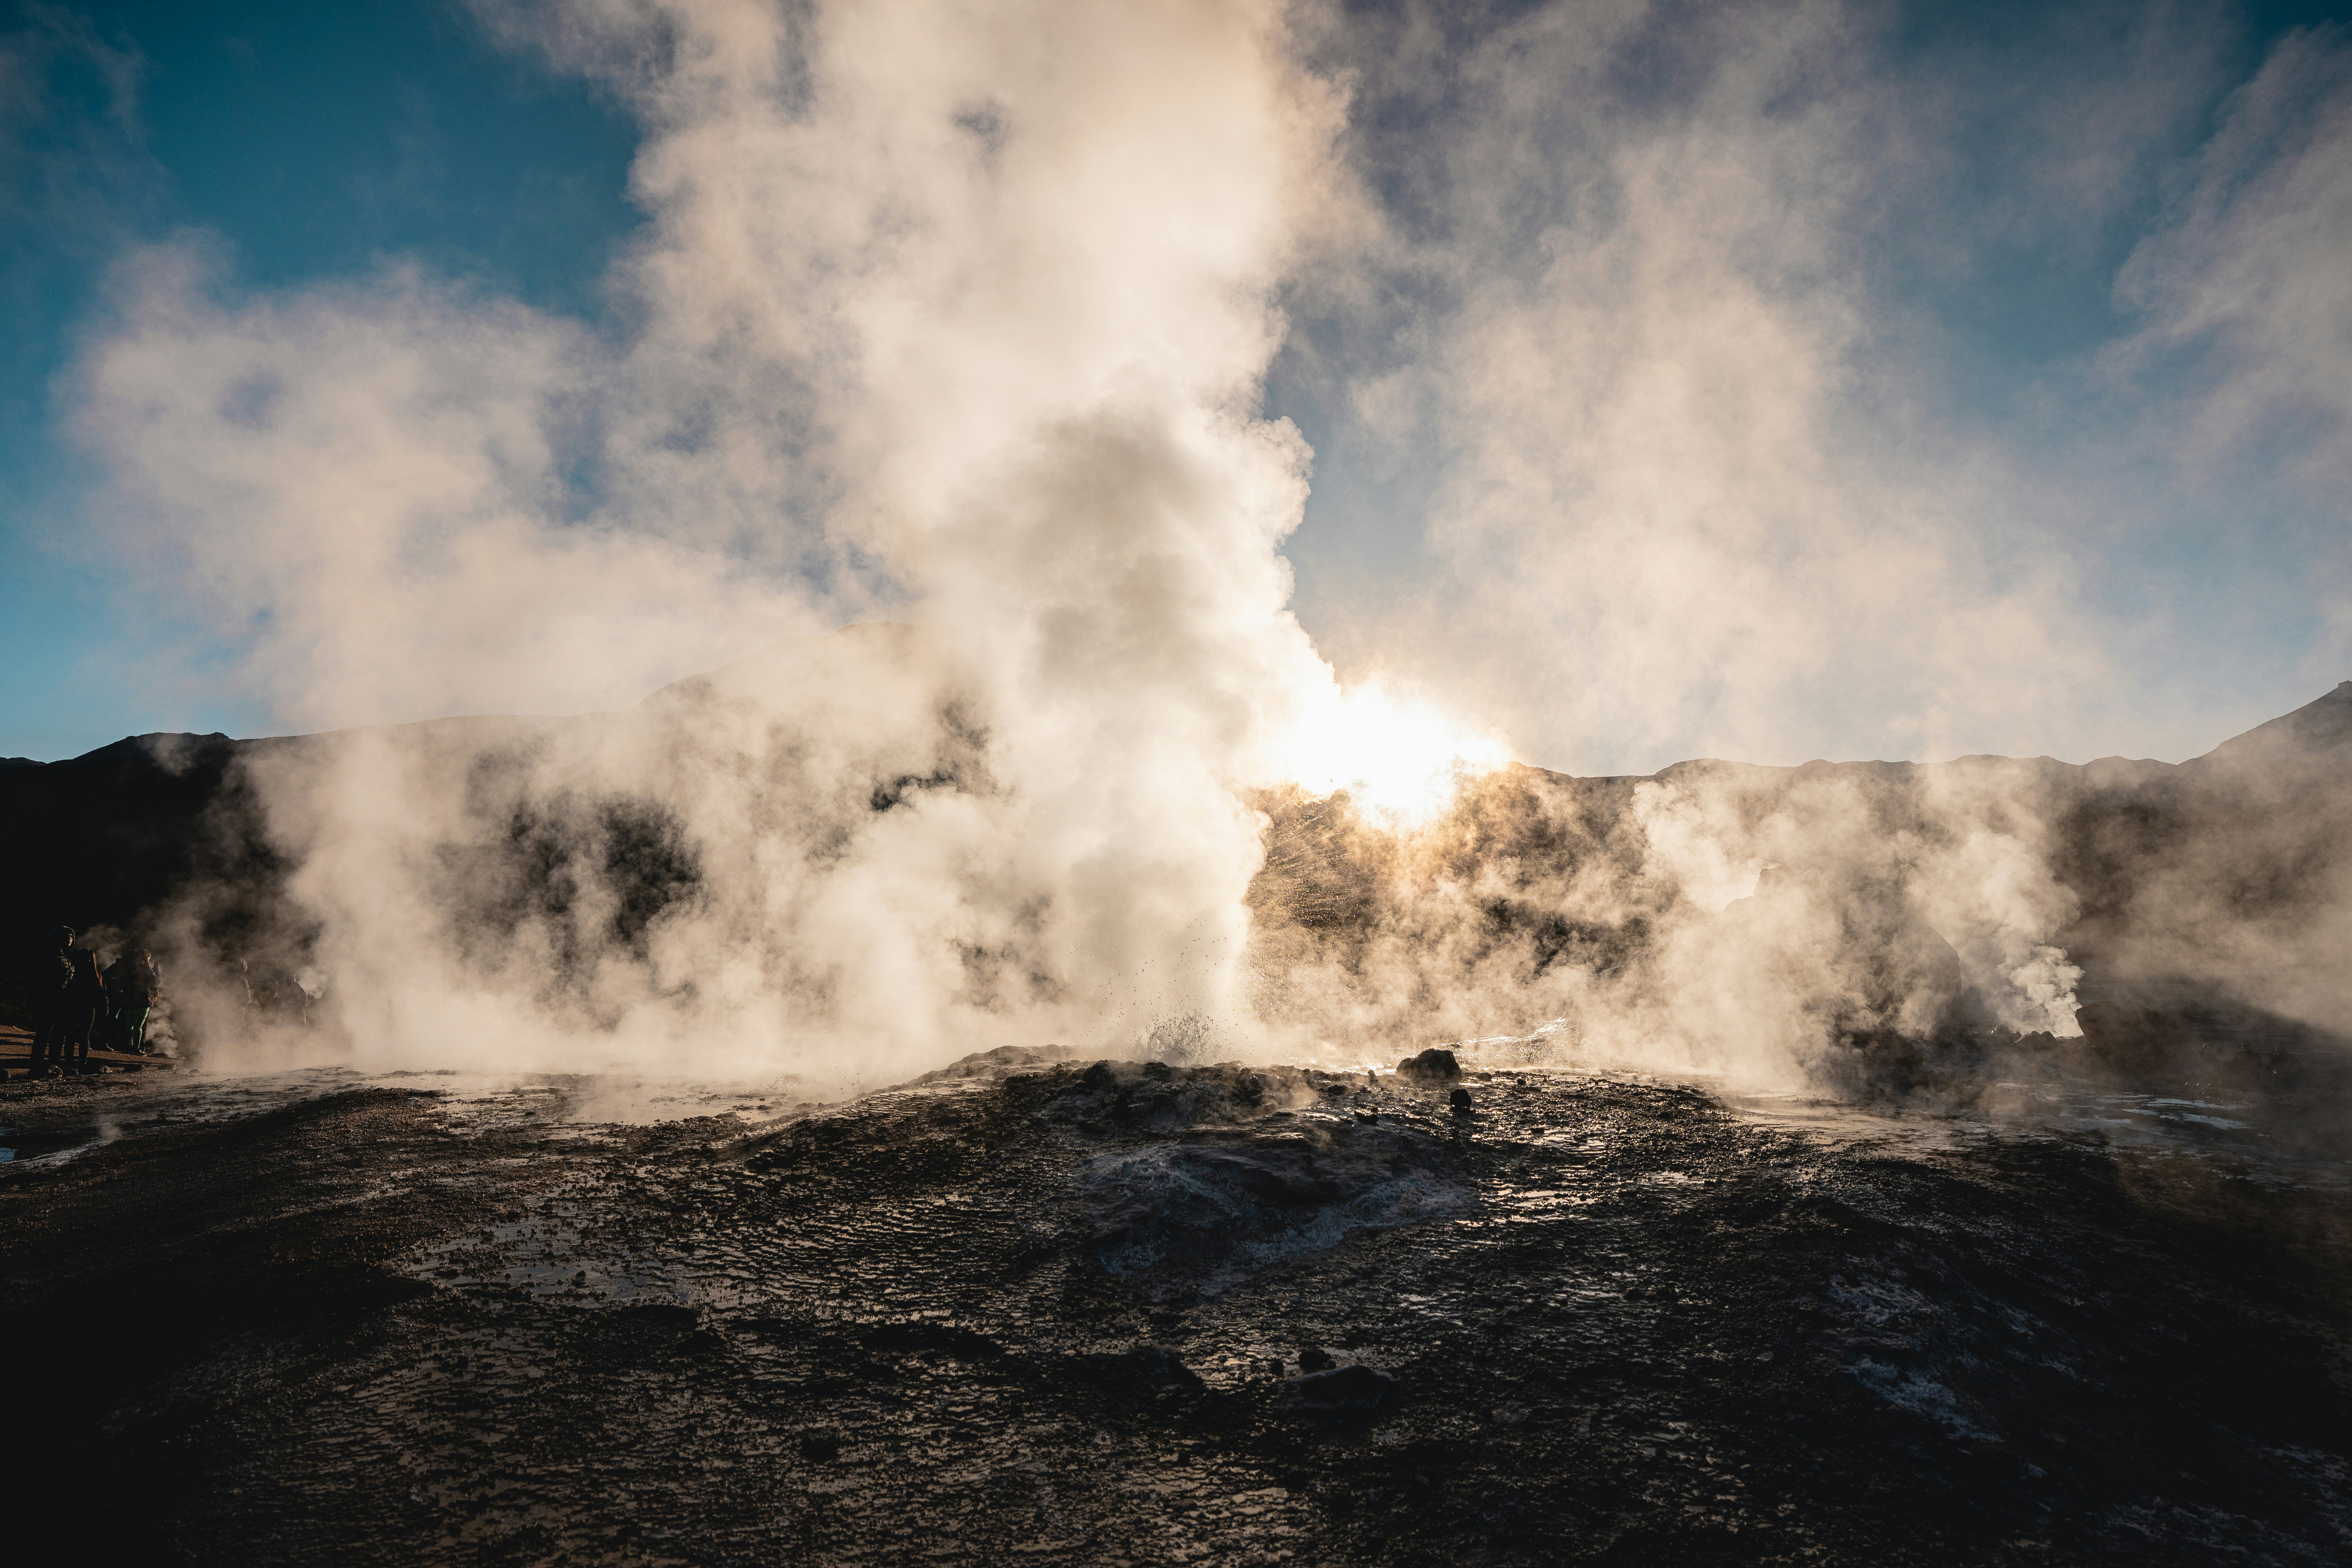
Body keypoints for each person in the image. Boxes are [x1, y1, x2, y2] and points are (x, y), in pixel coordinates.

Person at [29, 926, 79, 1076]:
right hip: (49, 1001)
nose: (70, 938)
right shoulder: (46, 954)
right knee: (45, 1034)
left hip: (63, 1002)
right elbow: (35, 979)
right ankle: (36, 1066)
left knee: (59, 1035)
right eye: (66, 936)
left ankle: (54, 1067)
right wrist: (38, 1000)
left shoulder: (68, 956)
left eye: (71, 936)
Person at [107, 948, 162, 1054]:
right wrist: (157, 972)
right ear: (146, 958)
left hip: (128, 1000)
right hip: (143, 1000)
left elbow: (120, 982)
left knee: (129, 1025)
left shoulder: (129, 969)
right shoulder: (147, 969)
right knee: (138, 1026)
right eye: (149, 957)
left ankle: (128, 1046)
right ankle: (136, 1048)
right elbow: (156, 981)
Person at [67, 941, 108, 1070]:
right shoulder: (74, 973)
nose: (87, 960)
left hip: (89, 1009)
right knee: (72, 1036)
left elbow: (103, 994)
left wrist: (104, 1009)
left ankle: (82, 1064)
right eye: (85, 958)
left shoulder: (98, 975)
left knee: (84, 1037)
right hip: (74, 1008)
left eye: (90, 958)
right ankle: (70, 1063)